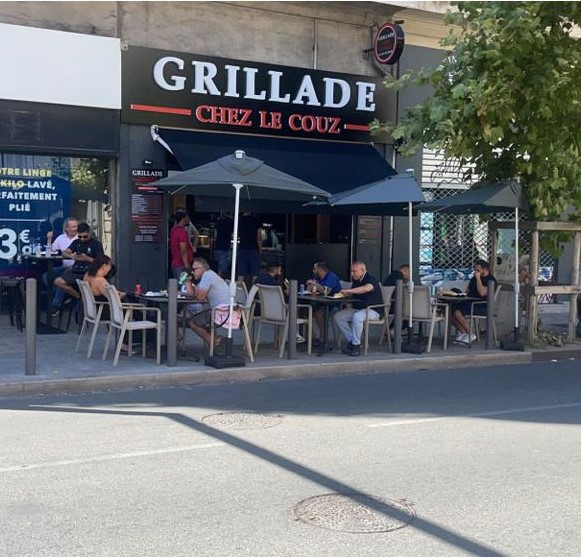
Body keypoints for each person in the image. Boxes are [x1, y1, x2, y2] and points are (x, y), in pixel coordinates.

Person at [333, 261, 383, 357]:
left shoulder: (371, 279)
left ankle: (356, 345)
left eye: (354, 271)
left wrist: (348, 290)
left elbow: (366, 288)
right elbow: (354, 294)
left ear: (362, 270)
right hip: (358, 308)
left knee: (357, 316)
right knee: (338, 316)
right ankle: (353, 341)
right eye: (351, 271)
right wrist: (345, 294)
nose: (352, 274)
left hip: (373, 310)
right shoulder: (356, 281)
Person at [52, 222, 104, 314]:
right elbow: (65, 252)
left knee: (86, 285)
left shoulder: (96, 244)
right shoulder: (77, 242)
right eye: (80, 237)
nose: (82, 239)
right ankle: (79, 296)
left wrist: (87, 258)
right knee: (58, 281)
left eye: (85, 237)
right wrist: (72, 256)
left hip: (89, 271)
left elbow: (101, 262)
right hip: (76, 270)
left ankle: (81, 302)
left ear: (89, 233)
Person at [183, 257, 231, 349]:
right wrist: (188, 282)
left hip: (222, 312)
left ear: (203, 268)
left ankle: (214, 342)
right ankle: (215, 341)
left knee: (192, 322)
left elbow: (200, 298)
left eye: (195, 269)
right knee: (201, 319)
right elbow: (193, 294)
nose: (192, 272)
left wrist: (194, 292)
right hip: (225, 310)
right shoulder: (210, 275)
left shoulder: (207, 276)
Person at [450, 259, 496, 344]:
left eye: (478, 270)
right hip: (469, 302)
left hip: (481, 305)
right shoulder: (473, 279)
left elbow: (482, 292)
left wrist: (478, 279)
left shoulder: (490, 280)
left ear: (484, 269)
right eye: (475, 270)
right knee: (449, 311)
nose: (475, 272)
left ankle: (470, 333)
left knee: (457, 312)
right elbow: (468, 291)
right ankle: (463, 332)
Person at [46, 217, 79, 309]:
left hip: (76, 268)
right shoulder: (61, 238)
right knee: (46, 276)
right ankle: (67, 293)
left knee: (62, 279)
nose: (75, 228)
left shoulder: (80, 238)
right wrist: (49, 239)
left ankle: (56, 304)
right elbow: (51, 251)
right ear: (67, 228)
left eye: (76, 226)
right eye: (73, 227)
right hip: (64, 267)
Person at [305, 261, 342, 343]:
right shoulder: (317, 277)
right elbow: (310, 289)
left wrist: (315, 284)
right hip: (320, 302)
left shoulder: (332, 277)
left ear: (320, 270)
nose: (313, 271)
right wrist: (310, 286)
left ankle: (323, 337)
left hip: (333, 303)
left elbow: (326, 292)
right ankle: (311, 337)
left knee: (318, 314)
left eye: (315, 269)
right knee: (305, 312)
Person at [237, 211, 262, 291]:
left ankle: (238, 292)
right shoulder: (256, 220)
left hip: (242, 249)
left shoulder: (239, 221)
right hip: (254, 249)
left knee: (241, 274)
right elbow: (259, 236)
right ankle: (253, 294)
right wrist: (260, 250)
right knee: (255, 274)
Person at [170, 209, 194, 280]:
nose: (189, 219)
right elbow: (183, 250)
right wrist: (186, 266)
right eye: (188, 217)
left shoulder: (174, 230)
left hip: (176, 264)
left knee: (180, 283)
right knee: (184, 284)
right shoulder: (182, 232)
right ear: (183, 218)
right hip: (182, 265)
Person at [214, 213, 234, 279]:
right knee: (223, 267)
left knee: (220, 266)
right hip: (225, 247)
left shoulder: (219, 221)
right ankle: (221, 279)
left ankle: (219, 279)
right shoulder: (231, 222)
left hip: (218, 246)